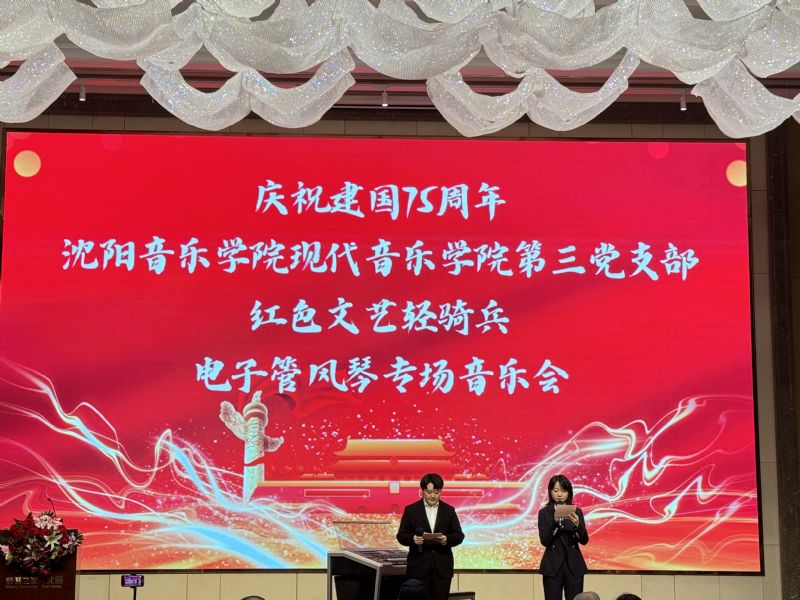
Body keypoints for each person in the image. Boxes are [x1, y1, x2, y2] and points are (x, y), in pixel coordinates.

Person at [396, 473, 464, 600]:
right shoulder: (411, 510)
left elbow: (459, 535)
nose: (433, 496)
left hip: (442, 569)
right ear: (422, 491)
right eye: (429, 492)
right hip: (418, 568)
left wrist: (446, 540)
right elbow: (401, 536)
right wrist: (413, 539)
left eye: (437, 492)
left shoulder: (449, 510)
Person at [538, 474, 590, 600]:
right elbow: (545, 541)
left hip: (574, 566)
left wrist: (577, 525)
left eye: (563, 491)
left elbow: (584, 540)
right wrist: (556, 524)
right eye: (556, 491)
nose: (559, 494)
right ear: (550, 492)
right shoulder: (544, 513)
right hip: (552, 566)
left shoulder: (576, 512)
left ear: (569, 492)